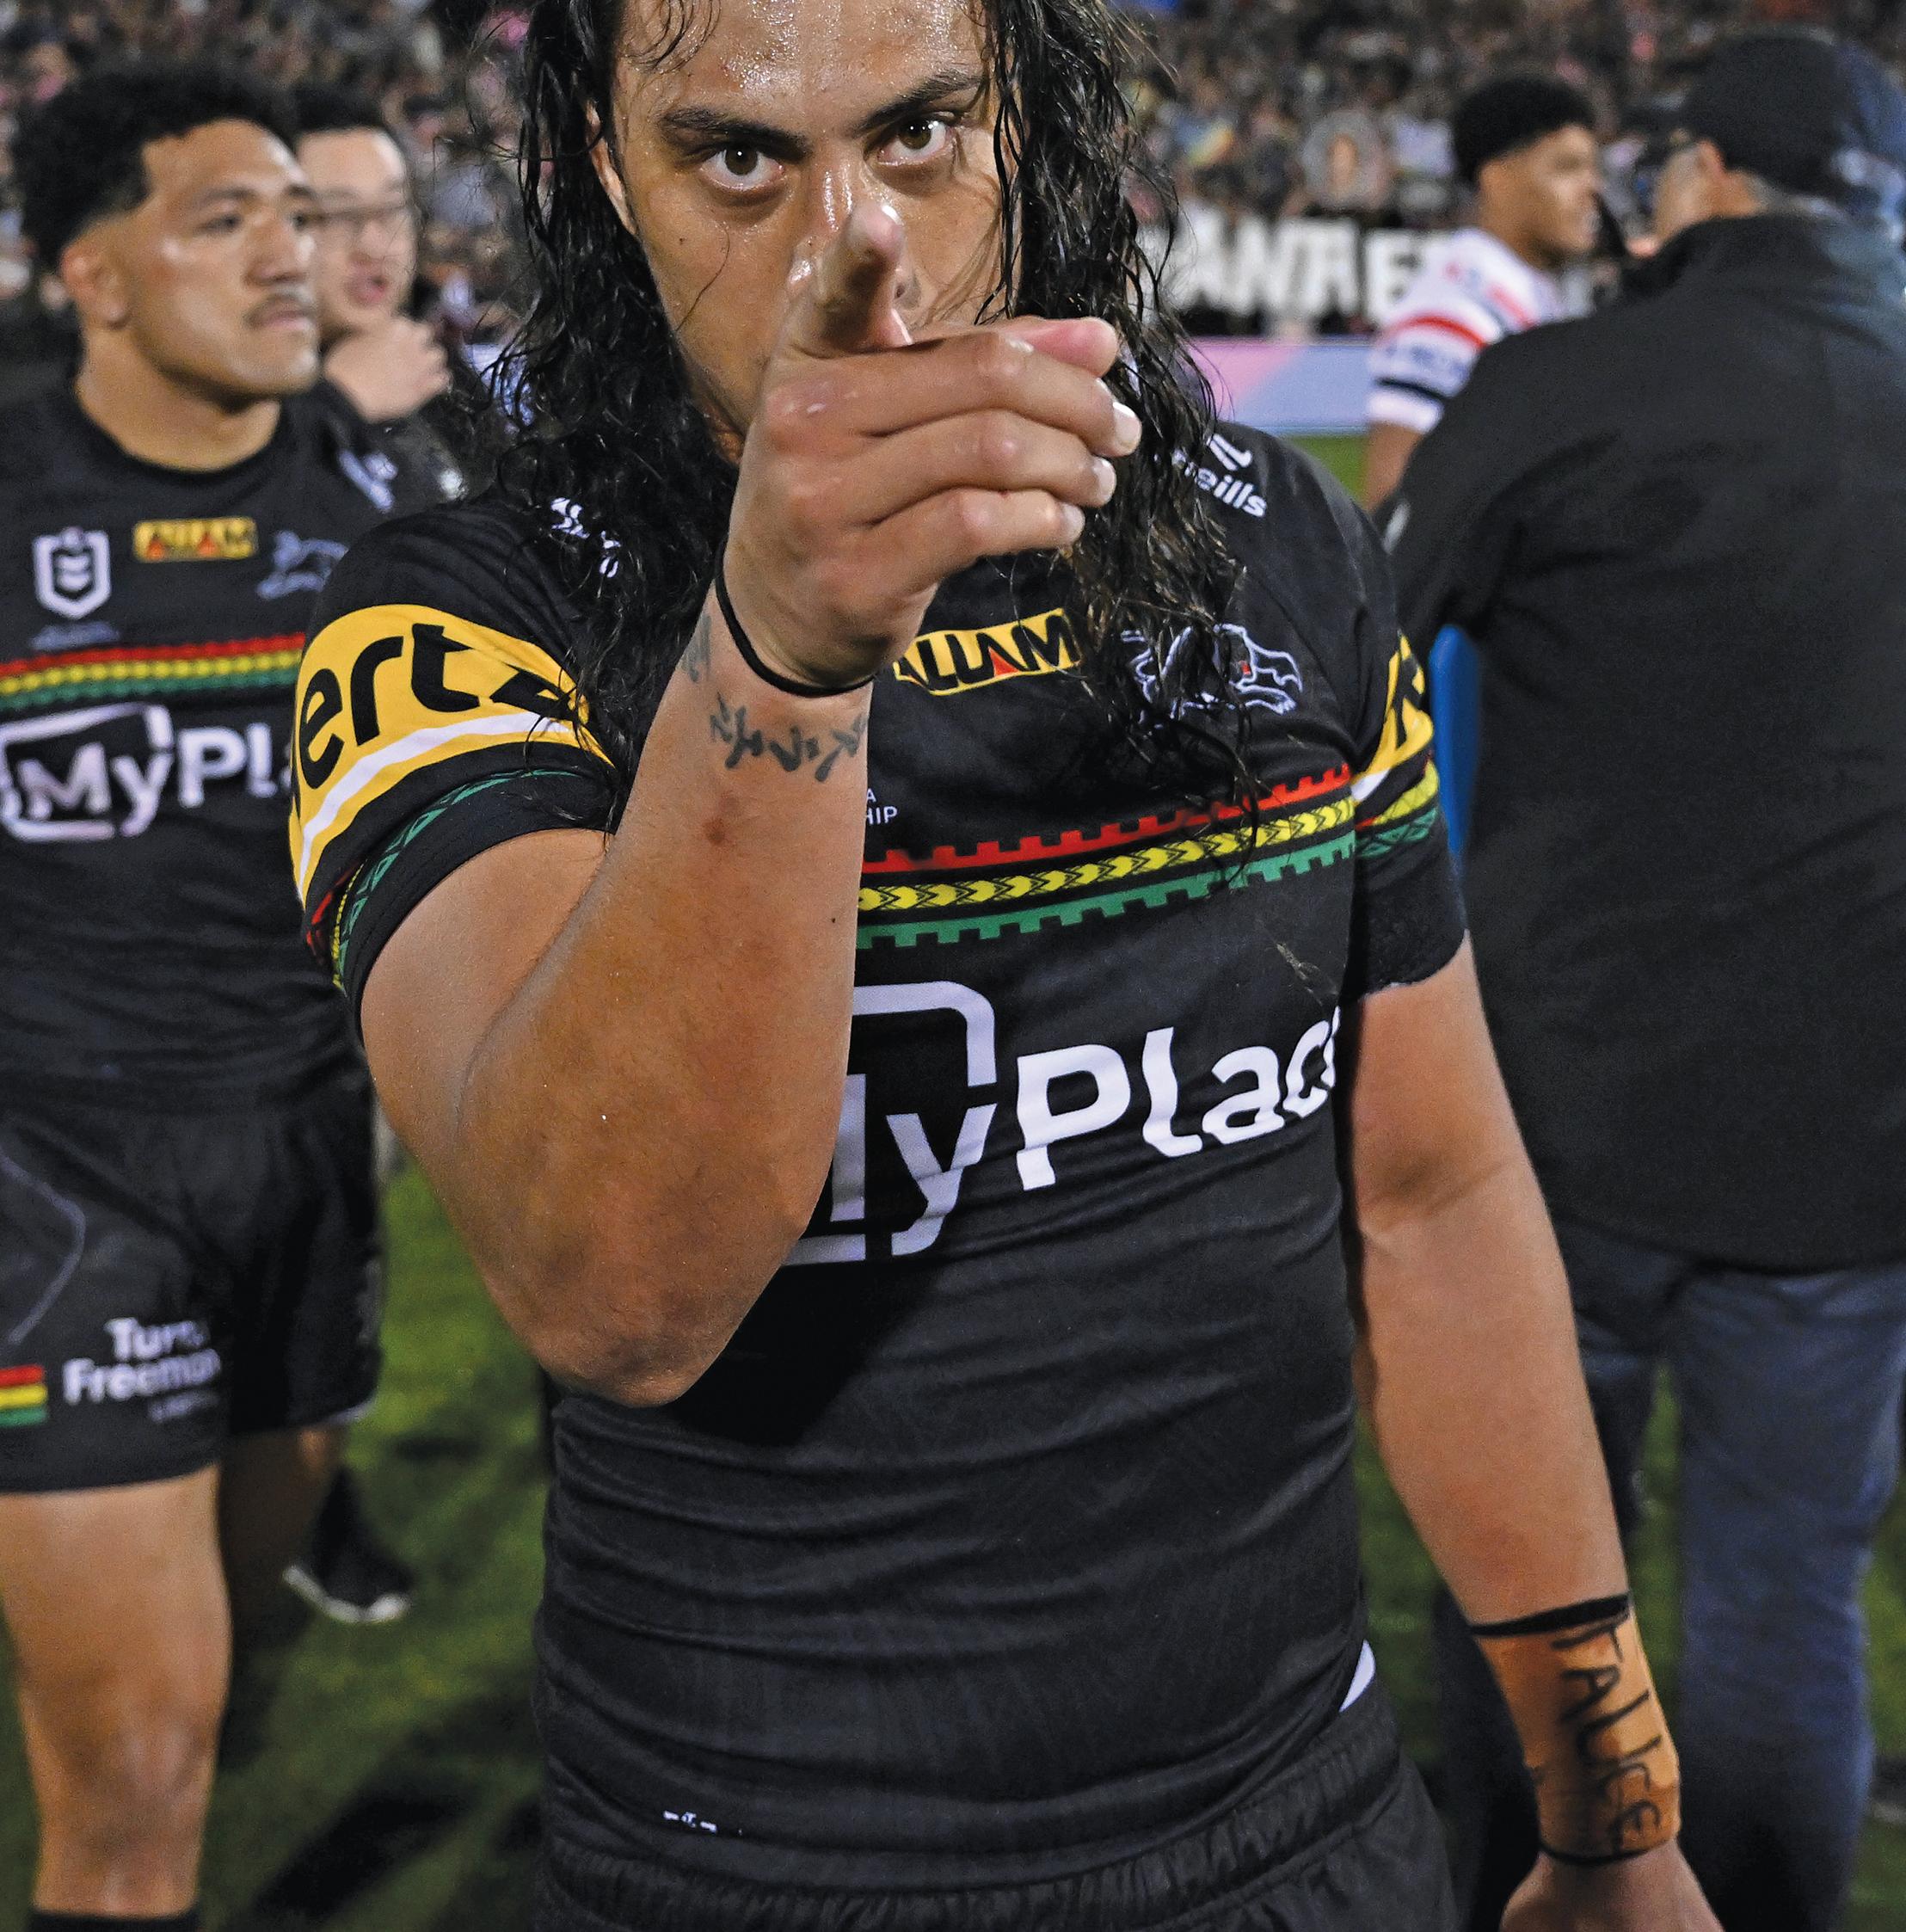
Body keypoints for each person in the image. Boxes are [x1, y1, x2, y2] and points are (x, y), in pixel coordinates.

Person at [292, 0, 1717, 1926]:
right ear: (603, 174)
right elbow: (614, 1295)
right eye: (739, 156)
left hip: (1309, 1824)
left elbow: (1435, 1195)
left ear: (1026, 132)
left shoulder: (1277, 548)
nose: (853, 246)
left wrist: (1611, 1813)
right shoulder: (457, 622)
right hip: (769, 1866)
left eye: (918, 135)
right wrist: (781, 653)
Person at [1385, 29, 1906, 1932]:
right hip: (1856, 1147)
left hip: (1564, 1122)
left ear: (1703, 178)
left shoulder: (1561, 384)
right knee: (1784, 1597)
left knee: (1534, 1579)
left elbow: (1356, 655)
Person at [0, 61, 430, 1930]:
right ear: (90, 275)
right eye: (227, 219)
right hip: (60, 1185)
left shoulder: (397, 506)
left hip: (313, 1162)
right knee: (139, 1787)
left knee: (235, 1658)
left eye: (302, 218)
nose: (289, 258)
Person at [1363, 74, 1601, 507]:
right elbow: (1392, 502)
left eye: (1592, 168)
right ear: (1497, 179)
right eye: (1567, 168)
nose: (1593, 188)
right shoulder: (1454, 311)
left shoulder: (1528, 293)